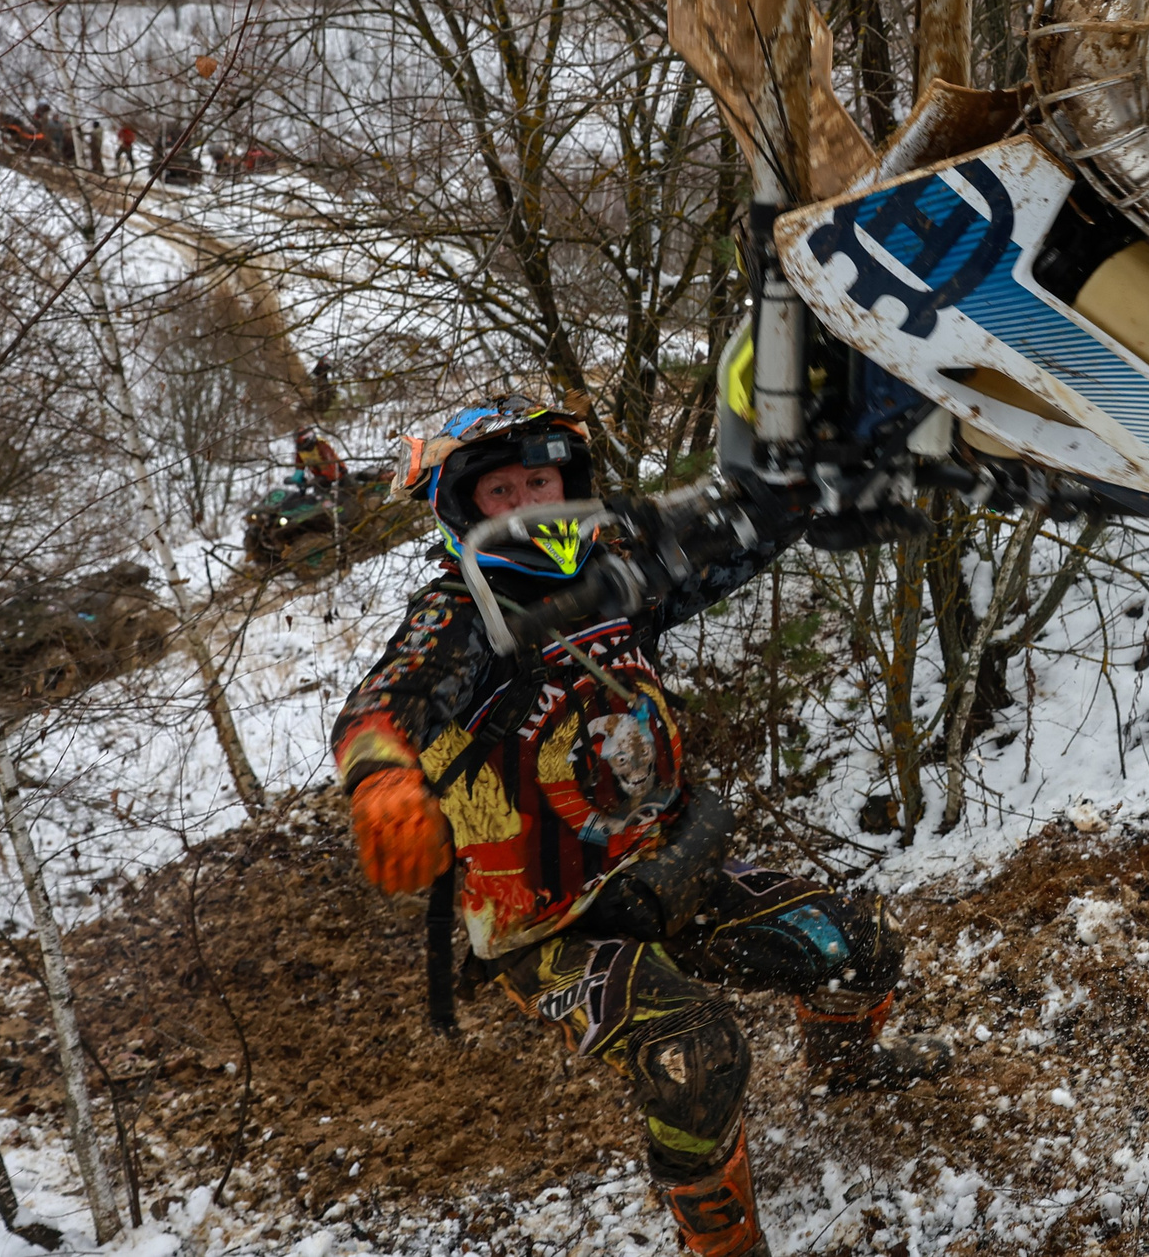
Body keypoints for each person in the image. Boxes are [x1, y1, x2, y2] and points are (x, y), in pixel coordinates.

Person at [334, 398, 942, 1257]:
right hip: (546, 926)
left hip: (664, 873)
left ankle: (848, 1077)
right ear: (462, 508)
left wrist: (818, 474)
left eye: (538, 480)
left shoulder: (617, 563)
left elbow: (740, 527)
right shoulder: (462, 615)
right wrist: (382, 776)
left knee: (859, 938)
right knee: (695, 1050)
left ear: (569, 480)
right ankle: (723, 1242)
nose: (524, 503)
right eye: (499, 489)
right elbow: (380, 703)